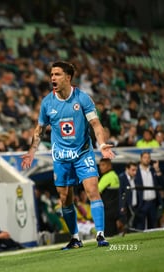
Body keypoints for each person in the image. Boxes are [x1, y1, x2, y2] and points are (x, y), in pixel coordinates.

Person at [21, 61, 115, 250]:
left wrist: (102, 144)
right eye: (51, 74)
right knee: (65, 198)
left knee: (92, 191)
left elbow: (95, 124)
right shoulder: (47, 102)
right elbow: (39, 129)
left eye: (57, 74)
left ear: (68, 77)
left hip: (82, 153)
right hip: (61, 157)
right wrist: (32, 151)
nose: (52, 78)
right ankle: (75, 238)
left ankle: (100, 235)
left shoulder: (82, 98)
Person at [133, 152, 164, 230]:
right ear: (141, 159)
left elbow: (163, 183)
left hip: (153, 203)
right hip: (141, 203)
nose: (147, 159)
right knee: (139, 226)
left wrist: (157, 169)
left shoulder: (153, 170)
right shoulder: (136, 170)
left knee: (153, 226)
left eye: (148, 158)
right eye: (145, 157)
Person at [97, 159, 120, 236]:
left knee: (108, 235)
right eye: (100, 165)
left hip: (107, 210)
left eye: (103, 165)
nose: (100, 167)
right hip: (115, 209)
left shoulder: (106, 177)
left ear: (109, 165)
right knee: (114, 234)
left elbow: (96, 192)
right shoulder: (115, 175)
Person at [118, 161, 138, 234]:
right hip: (126, 207)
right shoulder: (121, 178)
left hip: (134, 206)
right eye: (133, 170)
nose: (135, 172)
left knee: (133, 227)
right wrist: (122, 206)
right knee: (126, 226)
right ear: (127, 169)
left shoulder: (135, 178)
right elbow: (120, 194)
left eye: (136, 170)